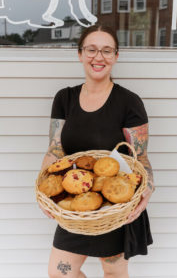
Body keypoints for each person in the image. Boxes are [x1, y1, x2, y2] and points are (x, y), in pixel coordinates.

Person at [39, 24, 155, 278]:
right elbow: (55, 150)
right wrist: (42, 189)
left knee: (113, 274)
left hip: (115, 206)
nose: (98, 57)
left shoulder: (129, 102)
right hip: (76, 207)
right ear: (80, 54)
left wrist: (147, 189)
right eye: (91, 49)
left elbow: (140, 156)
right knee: (60, 273)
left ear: (116, 56)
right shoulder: (65, 99)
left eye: (106, 50)